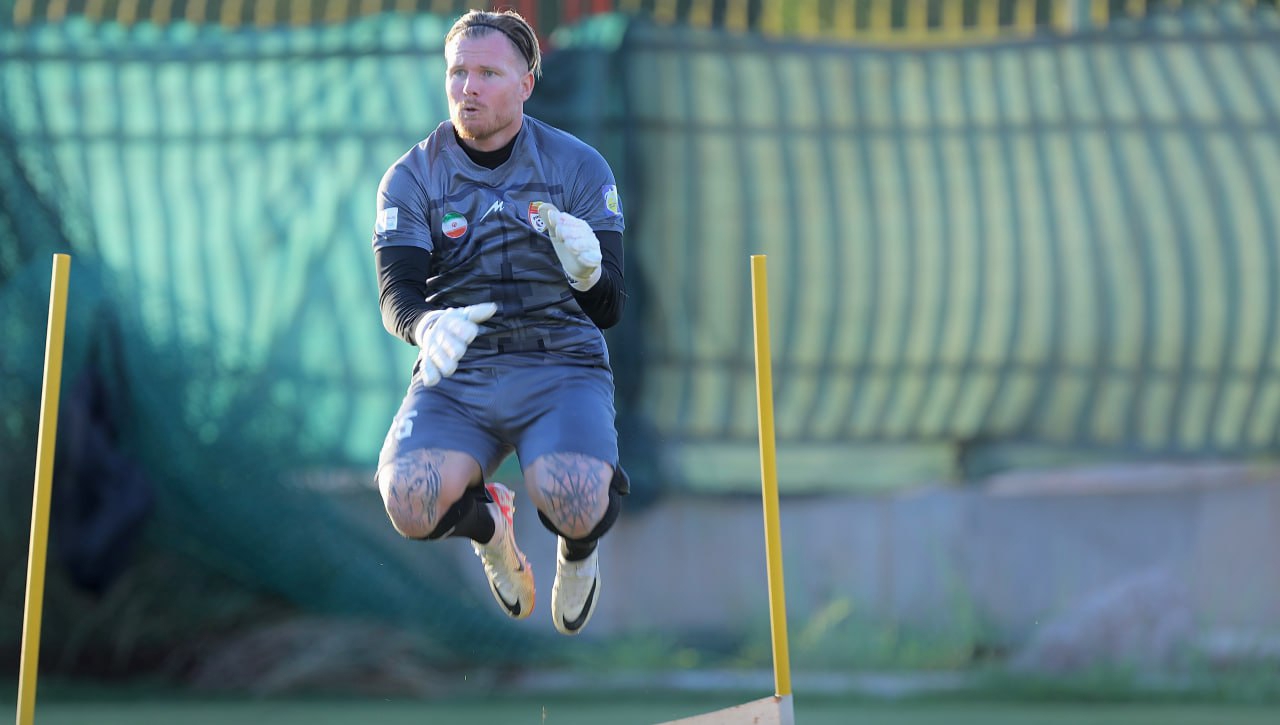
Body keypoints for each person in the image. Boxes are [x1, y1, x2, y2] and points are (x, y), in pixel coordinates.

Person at [369, 9, 628, 636]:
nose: (469, 87)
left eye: (488, 72)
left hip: (560, 361)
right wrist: (427, 327)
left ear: (527, 82)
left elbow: (611, 307)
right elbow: (396, 294)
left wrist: (589, 273)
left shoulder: (579, 168)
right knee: (407, 498)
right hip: (462, 368)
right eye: (458, 71)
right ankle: (491, 530)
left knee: (575, 494)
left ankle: (579, 549)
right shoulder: (412, 177)